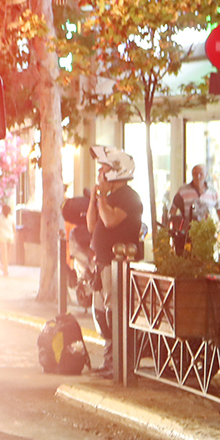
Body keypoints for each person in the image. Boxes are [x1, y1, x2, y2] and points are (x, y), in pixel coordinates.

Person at [86, 145, 143, 376]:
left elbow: (109, 221)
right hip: (102, 264)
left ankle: (120, 365)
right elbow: (92, 226)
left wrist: (101, 198)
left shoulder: (129, 197)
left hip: (116, 266)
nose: (100, 173)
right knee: (101, 314)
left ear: (116, 171)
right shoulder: (108, 197)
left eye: (104, 168)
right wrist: (94, 199)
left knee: (114, 312)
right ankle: (109, 362)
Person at [0, 203, 15, 276]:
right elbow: (14, 228)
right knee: (8, 254)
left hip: (2, 237)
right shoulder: (11, 218)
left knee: (4, 254)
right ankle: (5, 267)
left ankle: (5, 269)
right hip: (10, 237)